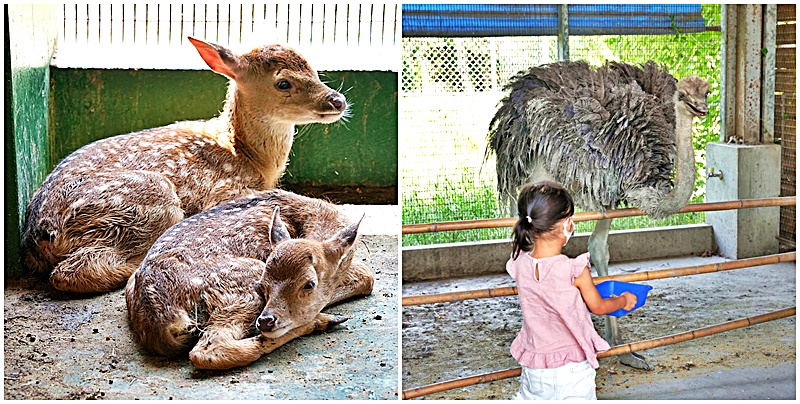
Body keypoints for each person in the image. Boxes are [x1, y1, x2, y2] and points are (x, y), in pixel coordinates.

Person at [507, 181, 637, 400]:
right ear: (567, 225)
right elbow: (598, 306)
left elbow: (521, 248)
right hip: (572, 369)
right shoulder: (573, 270)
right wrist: (623, 301)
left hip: (535, 368)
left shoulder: (519, 263)